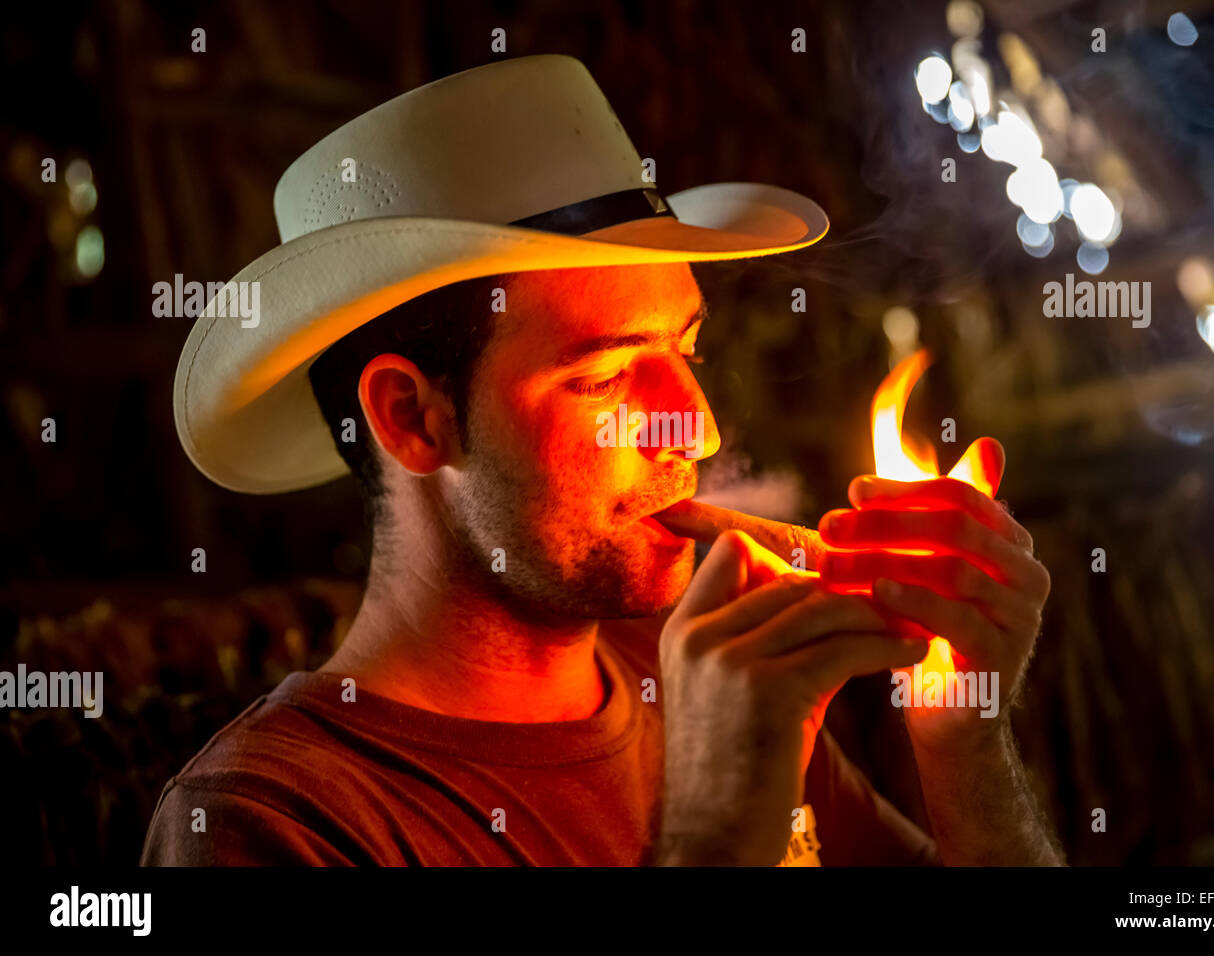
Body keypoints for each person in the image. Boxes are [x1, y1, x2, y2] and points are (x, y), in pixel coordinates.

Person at [143, 55, 1060, 866]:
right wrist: (715, 833)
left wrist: (963, 740)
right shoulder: (273, 822)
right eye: (606, 377)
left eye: (686, 350)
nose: (696, 429)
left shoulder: (701, 677)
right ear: (413, 419)